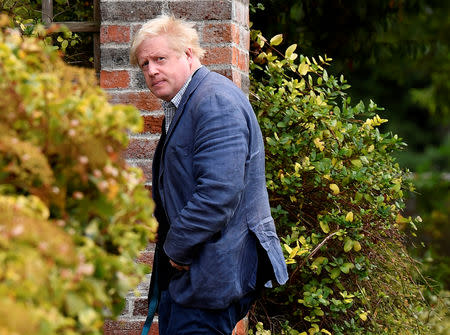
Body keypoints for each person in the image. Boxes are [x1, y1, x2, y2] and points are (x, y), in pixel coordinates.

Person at [129, 15, 288, 335]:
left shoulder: (214, 101)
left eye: (160, 58)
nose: (151, 70)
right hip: (196, 273)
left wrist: (176, 249)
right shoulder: (184, 102)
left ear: (189, 54)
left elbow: (218, 192)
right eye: (145, 64)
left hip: (212, 271)